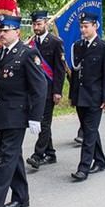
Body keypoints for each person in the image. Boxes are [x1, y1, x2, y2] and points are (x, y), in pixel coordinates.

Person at [0, 15, 46, 207]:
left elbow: (40, 88)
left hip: (18, 114)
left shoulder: (27, 54)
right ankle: (21, 196)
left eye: (7, 30)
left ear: (17, 32)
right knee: (13, 156)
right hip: (1, 115)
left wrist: (35, 117)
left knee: (6, 156)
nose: (2, 34)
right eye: (1, 30)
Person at [68, 12, 105, 178]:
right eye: (81, 27)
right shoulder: (78, 46)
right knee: (90, 130)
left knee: (88, 132)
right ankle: (100, 160)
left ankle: (83, 168)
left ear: (95, 26)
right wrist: (72, 95)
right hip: (81, 95)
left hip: (96, 96)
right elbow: (75, 73)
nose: (83, 30)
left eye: (86, 26)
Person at [26, 10, 66, 169]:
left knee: (44, 121)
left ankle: (38, 154)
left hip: (49, 90)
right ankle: (50, 153)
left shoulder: (56, 42)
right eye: (34, 24)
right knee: (43, 121)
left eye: (39, 24)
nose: (36, 27)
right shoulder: (30, 43)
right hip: (34, 90)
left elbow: (60, 69)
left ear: (46, 24)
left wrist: (58, 91)